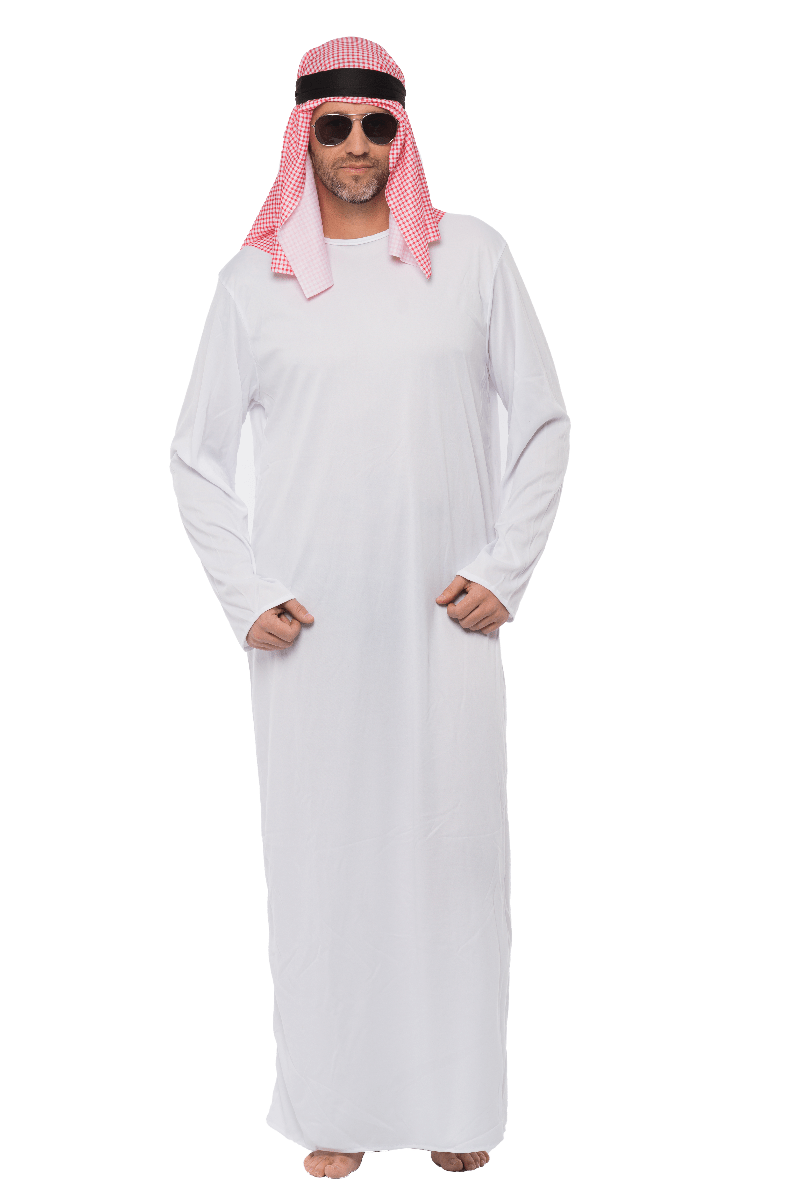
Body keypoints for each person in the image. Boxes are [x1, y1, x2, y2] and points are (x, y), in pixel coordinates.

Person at [170, 36, 570, 1179]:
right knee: (324, 861)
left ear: (403, 135)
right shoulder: (252, 284)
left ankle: (456, 1100)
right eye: (334, 126)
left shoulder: (471, 257)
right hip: (311, 632)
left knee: (456, 858)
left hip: (447, 619)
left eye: (376, 125)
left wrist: (503, 570)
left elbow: (543, 421)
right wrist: (248, 593)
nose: (356, 146)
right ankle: (333, 1102)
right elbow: (195, 457)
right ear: (302, 137)